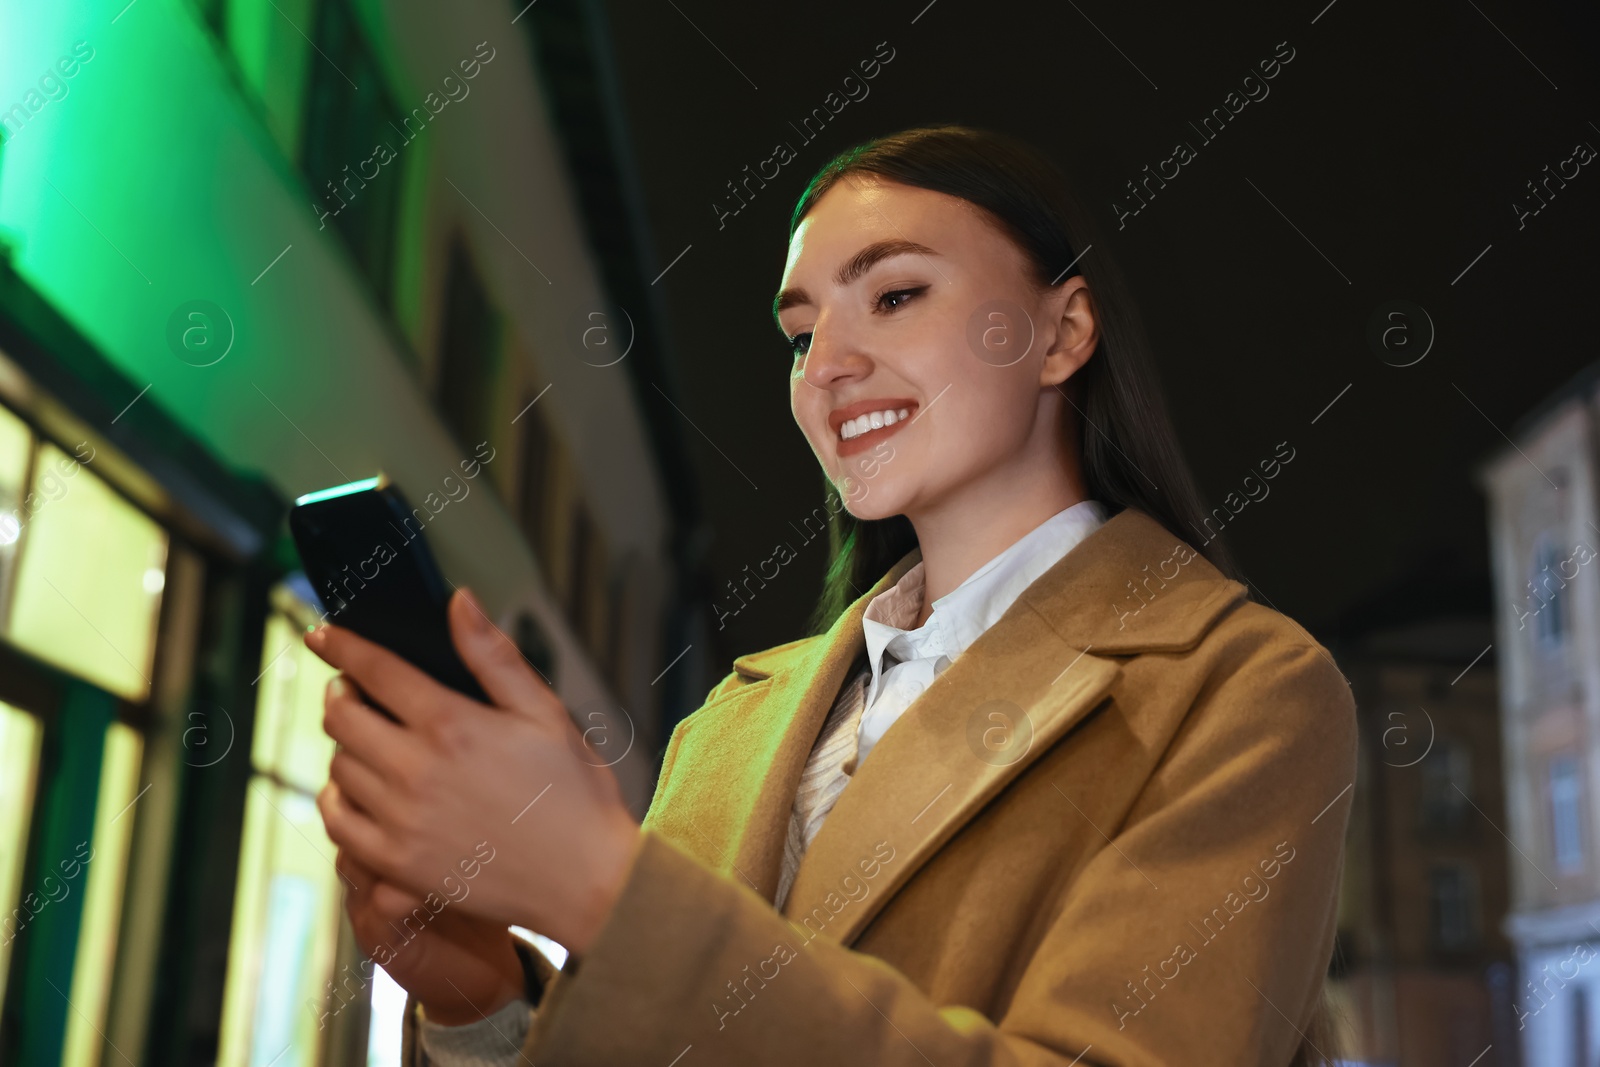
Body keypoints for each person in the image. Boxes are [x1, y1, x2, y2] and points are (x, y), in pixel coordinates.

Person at [308, 125, 1357, 1066]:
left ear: (1063, 330)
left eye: (894, 295)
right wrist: (480, 1005)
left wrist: (606, 894)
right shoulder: (732, 719)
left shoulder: (1240, 689)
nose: (826, 365)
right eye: (800, 332)